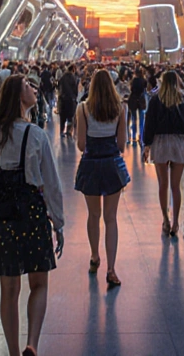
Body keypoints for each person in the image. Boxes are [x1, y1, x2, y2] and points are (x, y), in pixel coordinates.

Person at [0, 75, 65, 356]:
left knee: (8, 290)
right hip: (32, 212)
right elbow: (52, 182)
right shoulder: (36, 135)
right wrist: (58, 222)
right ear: (20, 97)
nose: (33, 89)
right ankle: (32, 343)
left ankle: (12, 351)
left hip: (1, 215)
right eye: (27, 86)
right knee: (39, 283)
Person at [74, 70, 130, 286]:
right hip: (112, 165)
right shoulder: (120, 109)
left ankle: (94, 256)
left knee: (93, 215)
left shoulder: (83, 108)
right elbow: (122, 144)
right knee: (111, 218)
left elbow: (81, 145)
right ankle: (111, 269)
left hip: (90, 165)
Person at [143, 70, 184, 239]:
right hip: (179, 142)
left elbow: (149, 123)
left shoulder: (155, 100)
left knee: (163, 184)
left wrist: (147, 144)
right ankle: (175, 223)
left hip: (160, 142)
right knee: (176, 185)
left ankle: (165, 220)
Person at [126, 70, 147, 146]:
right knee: (141, 120)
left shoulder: (133, 81)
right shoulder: (144, 81)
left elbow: (131, 90)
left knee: (133, 119)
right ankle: (141, 137)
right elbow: (145, 90)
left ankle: (133, 136)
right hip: (141, 101)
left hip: (133, 101)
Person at [56, 66, 79, 138]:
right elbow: (75, 90)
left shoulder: (62, 77)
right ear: (73, 70)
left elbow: (58, 87)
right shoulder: (73, 78)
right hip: (70, 100)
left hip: (62, 99)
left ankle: (61, 131)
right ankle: (68, 132)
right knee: (70, 117)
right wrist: (74, 97)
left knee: (62, 117)